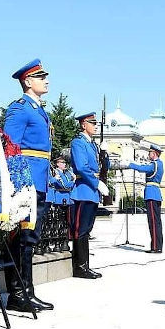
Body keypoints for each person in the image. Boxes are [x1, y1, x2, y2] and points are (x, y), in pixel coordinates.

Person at [2, 59, 54, 312]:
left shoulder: (39, 110)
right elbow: (10, 147)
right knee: (22, 238)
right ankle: (18, 293)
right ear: (28, 82)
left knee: (30, 238)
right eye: (40, 77)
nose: (46, 80)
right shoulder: (20, 108)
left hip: (39, 180)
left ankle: (26, 291)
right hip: (26, 182)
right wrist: (18, 184)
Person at [69, 112, 110, 278]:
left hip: (91, 192)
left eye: (95, 123)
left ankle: (84, 265)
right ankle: (80, 267)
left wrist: (104, 153)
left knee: (87, 230)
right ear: (83, 124)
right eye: (92, 123)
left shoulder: (92, 145)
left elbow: (103, 166)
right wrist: (96, 183)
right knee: (80, 230)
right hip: (83, 190)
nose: (95, 126)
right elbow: (80, 167)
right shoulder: (78, 143)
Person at [118, 144, 165, 253]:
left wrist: (129, 164)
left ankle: (155, 247)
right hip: (156, 194)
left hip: (151, 194)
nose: (148, 154)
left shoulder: (154, 165)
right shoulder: (160, 164)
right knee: (157, 222)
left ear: (154, 154)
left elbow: (141, 168)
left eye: (150, 153)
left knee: (153, 222)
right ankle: (158, 245)